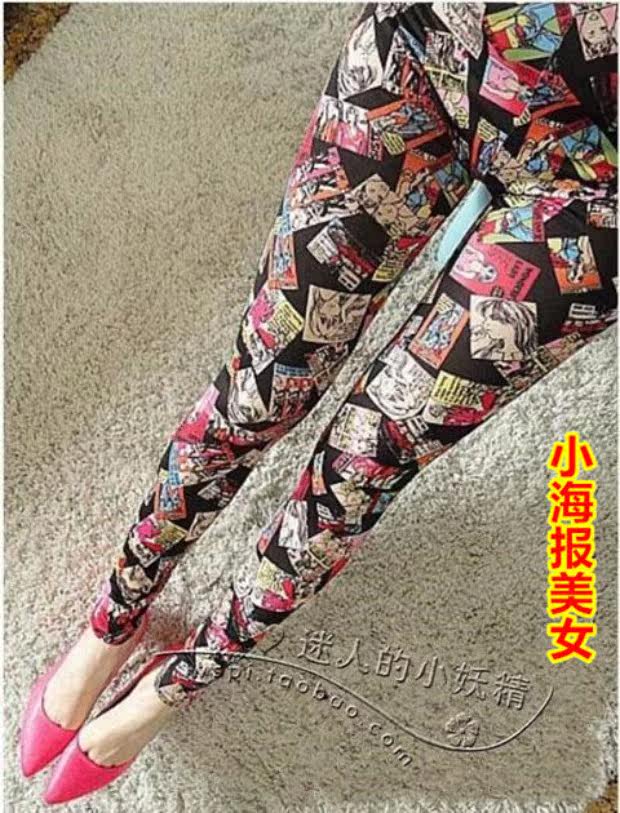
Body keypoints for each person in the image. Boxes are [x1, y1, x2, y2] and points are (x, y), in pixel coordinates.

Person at [18, 2, 617, 804]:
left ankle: (178, 680)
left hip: (599, 192)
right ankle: (114, 616)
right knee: (262, 384)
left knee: (367, 459)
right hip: (432, 39)